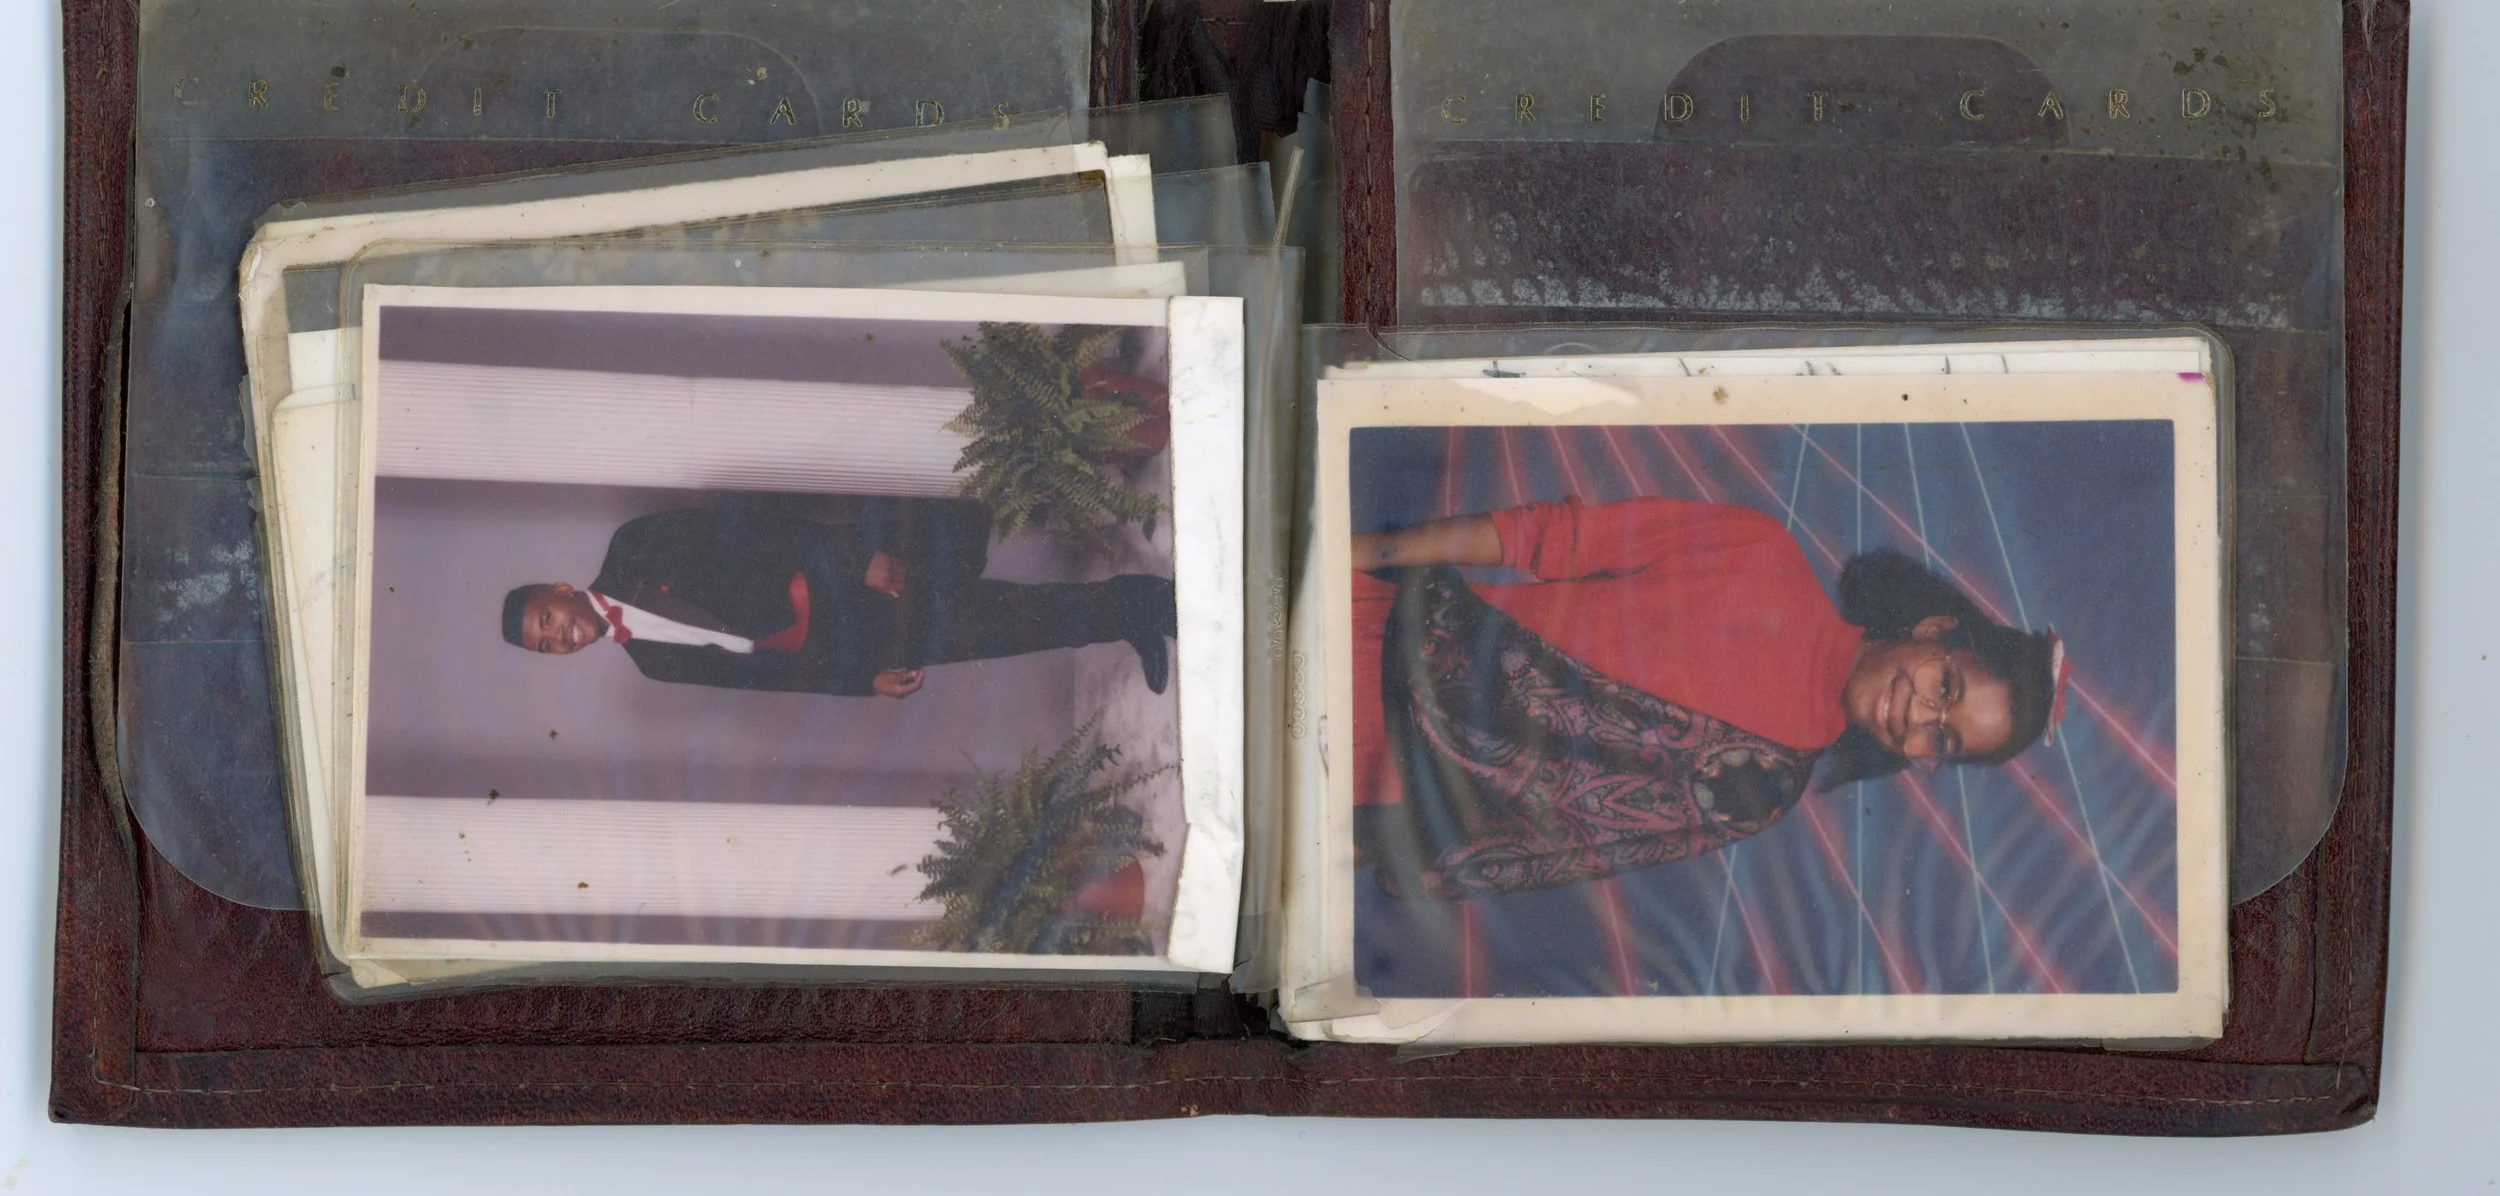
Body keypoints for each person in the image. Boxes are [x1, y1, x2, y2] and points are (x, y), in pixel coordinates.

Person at [1347, 494, 2064, 901]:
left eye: (1943, 737)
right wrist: (1350, 554)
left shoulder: (1762, 790)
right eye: (1948, 687)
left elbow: (1537, 841)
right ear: (1936, 629)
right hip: (1376, 635)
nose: (1921, 716)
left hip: (1377, 784)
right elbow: (1543, 537)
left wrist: (1351, 841)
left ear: (1927, 761)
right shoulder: (1761, 550)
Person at [501, 500, 1178, 696]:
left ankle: (1148, 601)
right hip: (851, 649)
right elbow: (773, 680)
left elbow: (757, 525)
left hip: (849, 587)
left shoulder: (635, 547)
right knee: (1002, 634)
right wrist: (863, 684)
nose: (560, 636)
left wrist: (859, 561)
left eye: (549, 618)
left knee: (998, 609)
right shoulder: (650, 661)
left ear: (561, 589)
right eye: (547, 644)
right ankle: (1129, 615)